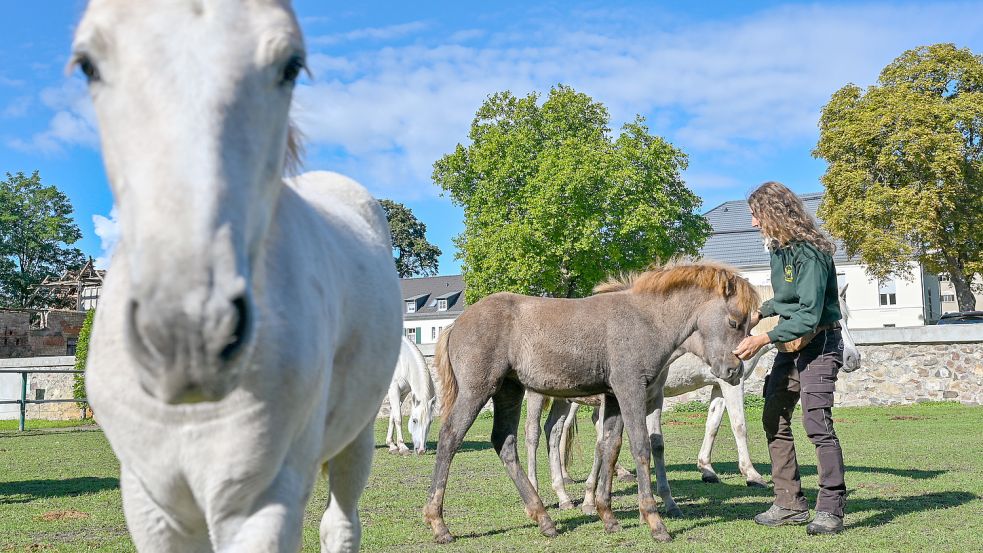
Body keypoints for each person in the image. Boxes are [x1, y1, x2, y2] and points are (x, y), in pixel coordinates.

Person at [733, 181, 846, 535]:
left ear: (773, 213)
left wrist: (762, 338)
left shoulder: (810, 253)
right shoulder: (778, 251)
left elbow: (810, 314)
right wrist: (759, 311)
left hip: (821, 344)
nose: (752, 224)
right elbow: (787, 300)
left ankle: (831, 508)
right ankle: (789, 503)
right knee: (773, 417)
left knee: (817, 426)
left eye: (755, 215)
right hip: (791, 346)